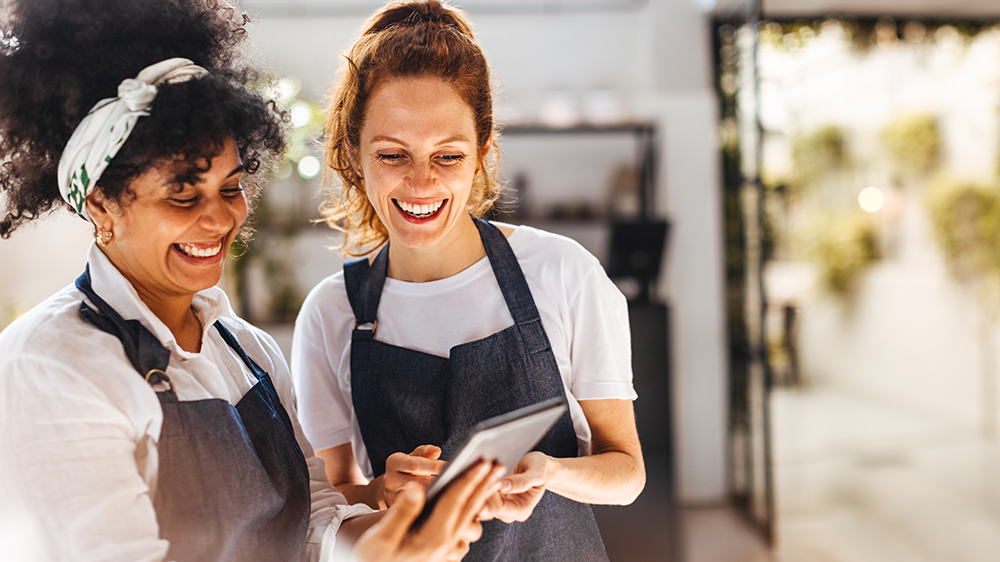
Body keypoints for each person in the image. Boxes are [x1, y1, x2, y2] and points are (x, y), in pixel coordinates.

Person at [0, 0, 503, 560]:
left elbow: (313, 523)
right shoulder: (52, 365)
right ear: (102, 204)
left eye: (230, 188)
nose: (219, 219)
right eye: (183, 194)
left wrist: (390, 540)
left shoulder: (249, 353)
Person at [291, 2, 646, 560]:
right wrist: (382, 490)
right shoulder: (331, 312)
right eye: (392, 154)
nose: (421, 182)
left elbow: (626, 472)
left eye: (448, 155)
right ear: (354, 155)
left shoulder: (561, 273)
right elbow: (328, 497)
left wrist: (549, 471)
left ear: (482, 152)